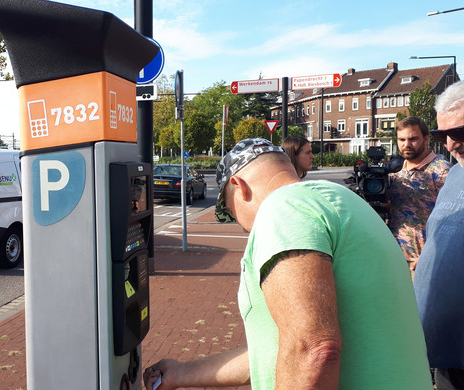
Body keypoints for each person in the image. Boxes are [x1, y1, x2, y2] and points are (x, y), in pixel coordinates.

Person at [144, 138, 431, 389]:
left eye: (232, 213)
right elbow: (283, 352)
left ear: (239, 186)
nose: (245, 229)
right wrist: (180, 373)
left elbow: (312, 350)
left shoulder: (283, 208)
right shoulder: (342, 201)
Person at [414, 80, 464, 390]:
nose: (449, 145)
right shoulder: (456, 172)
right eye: (441, 135)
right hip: (444, 352)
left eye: (458, 132)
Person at [388, 116, 451, 276]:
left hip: (426, 263)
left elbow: (454, 220)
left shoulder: (442, 171)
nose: (406, 144)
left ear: (426, 139)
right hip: (394, 259)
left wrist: (431, 254)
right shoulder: (396, 172)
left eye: (413, 139)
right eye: (401, 139)